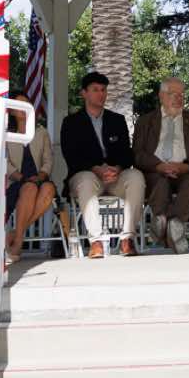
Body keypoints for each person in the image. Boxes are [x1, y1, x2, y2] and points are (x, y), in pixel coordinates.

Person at [59, 72, 144, 257]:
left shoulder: (117, 120)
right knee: (86, 180)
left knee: (136, 177)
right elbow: (71, 156)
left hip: (115, 177)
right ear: (84, 93)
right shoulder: (71, 123)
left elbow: (127, 153)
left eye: (103, 90)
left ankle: (127, 239)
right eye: (95, 90)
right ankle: (96, 241)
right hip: (87, 176)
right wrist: (96, 168)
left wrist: (118, 168)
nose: (101, 94)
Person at [133, 77, 189, 253]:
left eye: (181, 95)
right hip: (155, 172)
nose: (178, 98)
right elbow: (138, 155)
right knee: (160, 183)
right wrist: (159, 166)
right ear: (161, 96)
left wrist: (185, 167)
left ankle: (164, 221)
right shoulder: (145, 122)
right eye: (173, 94)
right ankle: (174, 226)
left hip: (186, 171)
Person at [3, 102, 57, 266]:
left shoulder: (41, 132)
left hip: (39, 179)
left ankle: (17, 235)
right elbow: (5, 161)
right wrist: (20, 177)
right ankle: (18, 242)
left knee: (49, 188)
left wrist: (41, 176)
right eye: (18, 104)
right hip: (16, 181)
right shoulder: (7, 133)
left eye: (25, 104)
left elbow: (48, 159)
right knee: (29, 188)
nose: (22, 107)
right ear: (12, 111)